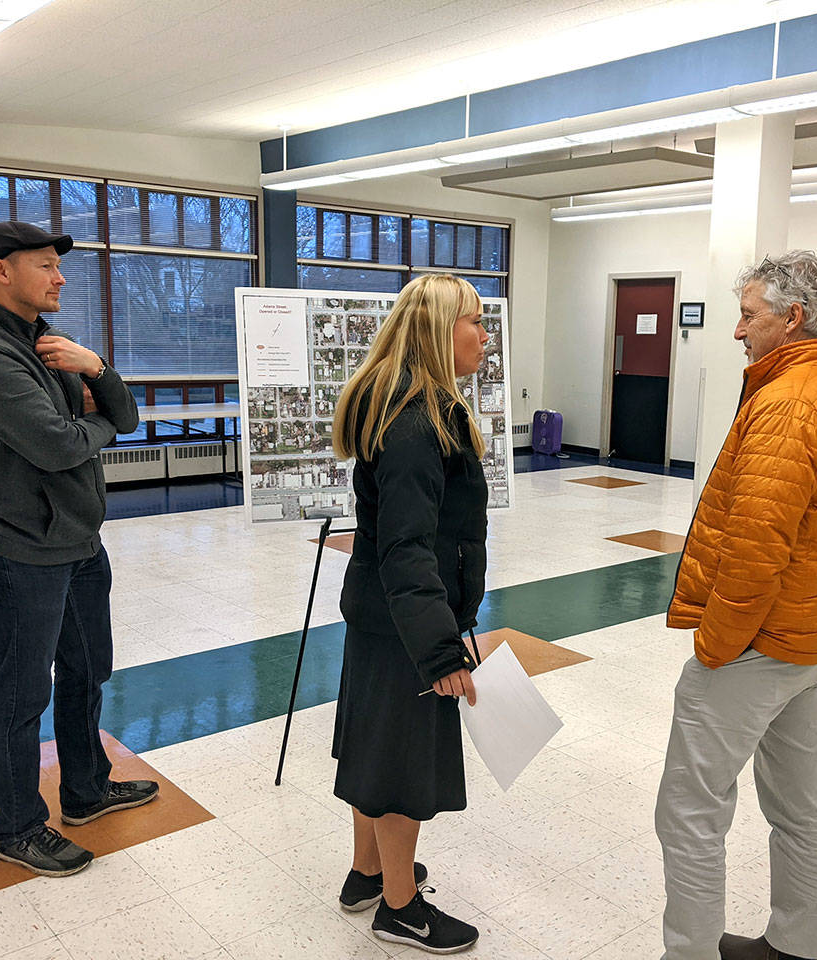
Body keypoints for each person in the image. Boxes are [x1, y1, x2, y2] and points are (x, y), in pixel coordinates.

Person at [655, 251, 817, 960]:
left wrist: (717, 646)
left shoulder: (788, 401)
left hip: (760, 638)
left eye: (749, 315)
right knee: (797, 801)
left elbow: (756, 548)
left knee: (690, 807)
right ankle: (795, 944)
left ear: (793, 318)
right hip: (808, 632)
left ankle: (686, 953)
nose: (738, 330)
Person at [0, 221, 156, 877]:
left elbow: (126, 418)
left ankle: (87, 790)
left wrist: (96, 369)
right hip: (20, 550)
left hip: (78, 541)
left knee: (89, 668)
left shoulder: (51, 345)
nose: (59, 276)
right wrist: (88, 422)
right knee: (21, 691)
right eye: (44, 265)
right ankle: (18, 828)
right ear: (1, 271)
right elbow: (59, 445)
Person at [330, 273, 490, 954]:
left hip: (381, 614)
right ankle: (399, 909)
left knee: (374, 747)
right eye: (474, 323)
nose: (484, 336)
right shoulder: (415, 425)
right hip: (403, 623)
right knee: (400, 765)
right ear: (436, 330)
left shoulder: (406, 405)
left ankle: (368, 872)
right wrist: (439, 648)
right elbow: (407, 549)